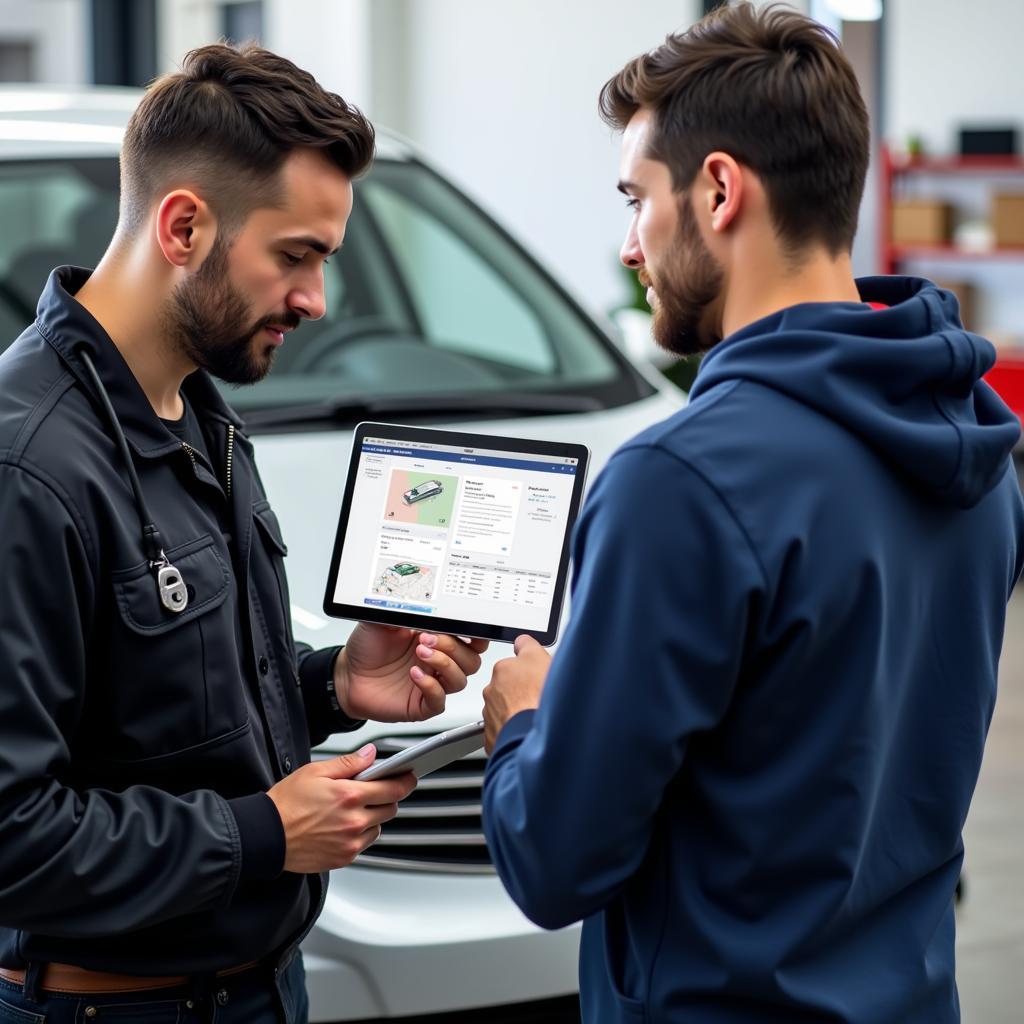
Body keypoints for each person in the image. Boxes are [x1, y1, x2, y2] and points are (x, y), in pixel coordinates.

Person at [480, 4, 1024, 1022]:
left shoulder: (678, 483)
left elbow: (553, 862)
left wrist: (527, 721)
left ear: (719, 190)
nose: (632, 246)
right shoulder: (982, 454)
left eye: (635, 198)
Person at [0, 44, 486, 1024]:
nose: (314, 300)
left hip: (257, 990)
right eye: (294, 256)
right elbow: (12, 834)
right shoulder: (27, 466)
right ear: (183, 225)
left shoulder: (197, 407)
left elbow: (160, 717)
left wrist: (332, 685)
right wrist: (261, 834)